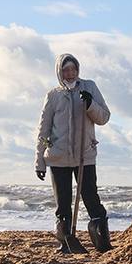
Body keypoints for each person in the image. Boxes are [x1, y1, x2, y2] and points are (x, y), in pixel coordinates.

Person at [35, 54, 112, 253]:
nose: (70, 74)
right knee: (62, 204)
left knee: (91, 198)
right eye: (65, 70)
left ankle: (102, 242)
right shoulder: (53, 95)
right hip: (58, 157)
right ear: (59, 72)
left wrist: (90, 105)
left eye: (73, 69)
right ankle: (66, 243)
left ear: (78, 70)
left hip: (84, 155)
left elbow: (104, 117)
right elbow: (44, 129)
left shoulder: (89, 87)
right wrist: (40, 161)